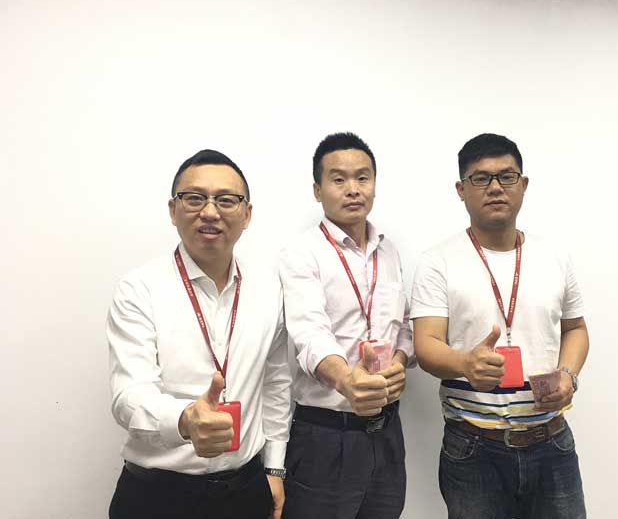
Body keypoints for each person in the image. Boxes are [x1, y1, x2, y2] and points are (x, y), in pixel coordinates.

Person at [411, 133, 589, 518]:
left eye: (507, 176)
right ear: (461, 190)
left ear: (523, 185)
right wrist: (464, 364)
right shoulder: (437, 261)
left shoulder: (554, 256)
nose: (495, 187)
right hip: (473, 449)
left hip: (553, 443)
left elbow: (575, 328)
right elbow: (425, 344)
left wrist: (568, 374)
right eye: (481, 178)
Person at [107, 149, 291, 519]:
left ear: (247, 214)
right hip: (157, 496)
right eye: (194, 198)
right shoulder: (139, 288)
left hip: (246, 491)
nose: (209, 211)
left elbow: (276, 383)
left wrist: (274, 467)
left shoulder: (268, 288)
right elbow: (128, 396)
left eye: (226, 200)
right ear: (173, 210)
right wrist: (185, 420)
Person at [279, 132, 414, 519]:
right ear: (317, 190)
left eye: (362, 177)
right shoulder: (302, 253)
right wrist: (347, 380)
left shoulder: (388, 251)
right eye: (338, 179)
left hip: (387, 431)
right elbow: (309, 334)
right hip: (325, 434)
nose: (353, 189)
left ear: (374, 184)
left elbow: (403, 325)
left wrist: (400, 362)